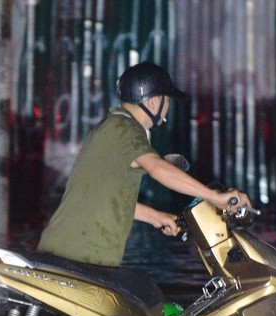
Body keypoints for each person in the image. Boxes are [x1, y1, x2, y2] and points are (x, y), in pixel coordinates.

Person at [38, 61, 251, 267]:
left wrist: (154, 216)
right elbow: (157, 168)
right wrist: (215, 197)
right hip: (80, 258)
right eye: (167, 101)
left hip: (70, 253)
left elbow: (104, 197)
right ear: (153, 103)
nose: (167, 109)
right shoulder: (126, 128)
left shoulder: (112, 128)